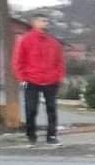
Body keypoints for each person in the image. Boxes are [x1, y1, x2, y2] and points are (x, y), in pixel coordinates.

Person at [13, 14, 66, 146]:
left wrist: (59, 77)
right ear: (34, 23)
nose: (46, 23)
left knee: (51, 109)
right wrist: (22, 78)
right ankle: (31, 136)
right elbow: (18, 61)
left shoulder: (53, 42)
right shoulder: (26, 40)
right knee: (31, 109)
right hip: (31, 80)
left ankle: (52, 136)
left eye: (47, 21)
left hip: (51, 80)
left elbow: (60, 62)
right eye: (43, 21)